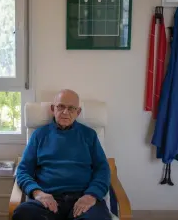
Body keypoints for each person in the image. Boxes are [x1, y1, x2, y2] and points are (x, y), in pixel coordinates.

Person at [13, 89, 111, 220]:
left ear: (78, 112)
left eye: (71, 108)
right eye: (61, 106)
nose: (65, 112)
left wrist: (91, 195)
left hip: (82, 197)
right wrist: (38, 193)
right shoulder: (39, 135)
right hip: (48, 199)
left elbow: (103, 170)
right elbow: (23, 170)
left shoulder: (89, 135)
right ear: (53, 109)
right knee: (23, 214)